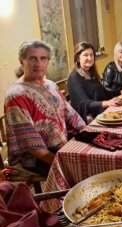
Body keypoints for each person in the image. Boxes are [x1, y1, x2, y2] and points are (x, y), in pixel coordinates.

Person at [4, 40, 85, 177]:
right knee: (82, 172)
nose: (38, 64)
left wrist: (88, 133)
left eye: (43, 58)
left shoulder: (51, 85)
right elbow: (32, 145)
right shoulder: (16, 95)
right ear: (21, 60)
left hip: (62, 147)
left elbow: (70, 114)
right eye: (32, 58)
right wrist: (61, 162)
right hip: (37, 159)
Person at [68, 42, 122, 124]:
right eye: (85, 55)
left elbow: (103, 93)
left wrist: (119, 95)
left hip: (100, 115)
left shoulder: (91, 73)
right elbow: (84, 103)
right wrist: (107, 103)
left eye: (91, 55)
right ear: (78, 58)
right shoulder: (74, 77)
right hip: (86, 122)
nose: (89, 58)